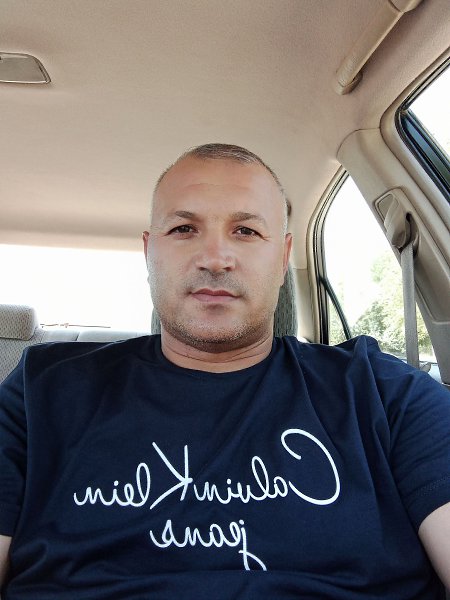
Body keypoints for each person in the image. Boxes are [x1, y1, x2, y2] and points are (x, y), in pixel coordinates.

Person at [0, 143, 449, 599]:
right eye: (183, 228)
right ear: (149, 252)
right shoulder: (40, 393)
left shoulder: (384, 394)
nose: (215, 258)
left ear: (282, 259)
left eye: (246, 231)